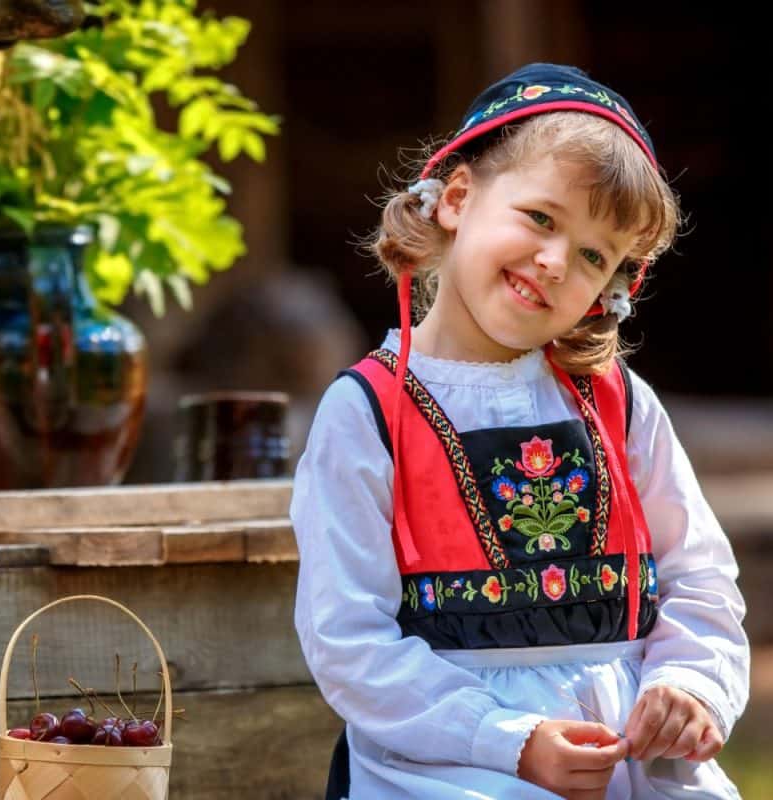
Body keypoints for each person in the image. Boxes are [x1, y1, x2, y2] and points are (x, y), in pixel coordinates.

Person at [290, 63, 749, 800]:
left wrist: (689, 684)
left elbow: (701, 580)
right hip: (446, 765)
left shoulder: (620, 405)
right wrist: (511, 741)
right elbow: (349, 643)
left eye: (595, 256)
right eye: (541, 217)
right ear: (460, 198)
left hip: (625, 760)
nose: (557, 261)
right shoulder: (367, 414)